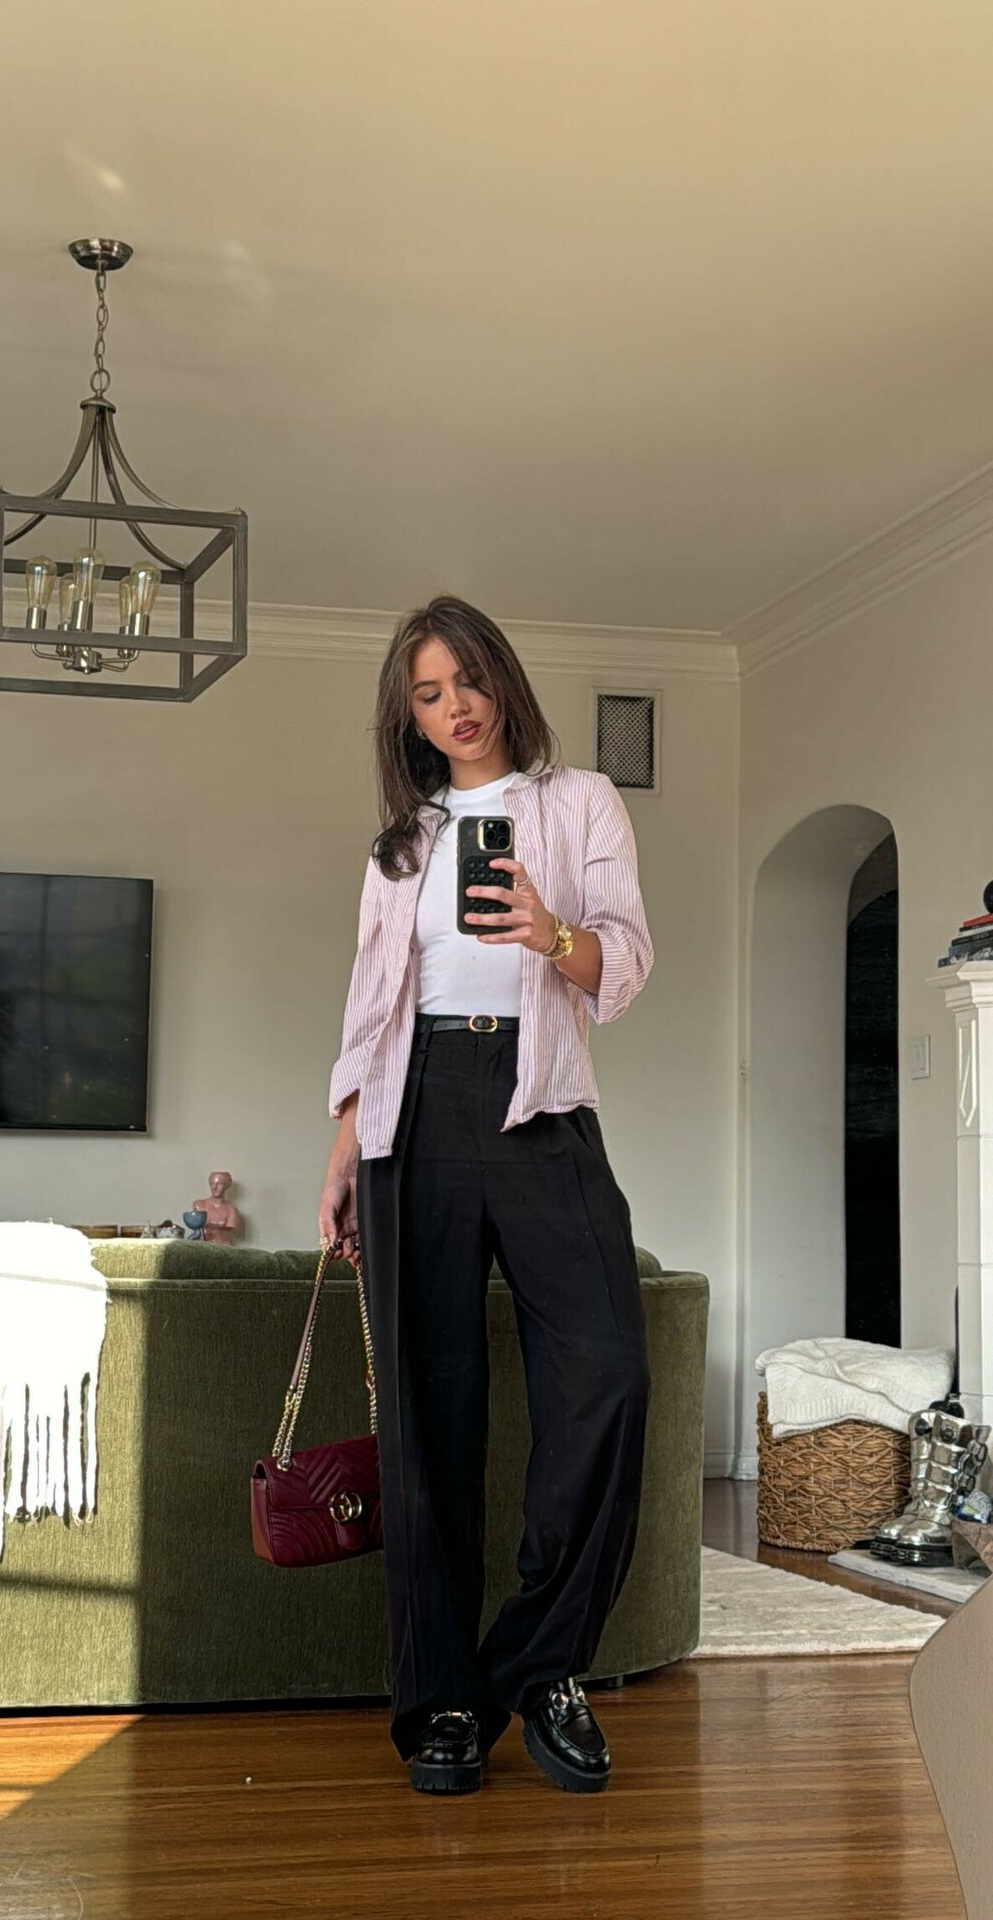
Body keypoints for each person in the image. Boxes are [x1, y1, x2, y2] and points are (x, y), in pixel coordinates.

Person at [318, 594, 653, 1796]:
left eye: (467, 680)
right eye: (428, 693)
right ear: (408, 718)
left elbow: (625, 962)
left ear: (503, 680)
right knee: (428, 1416)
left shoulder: (581, 802)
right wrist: (345, 1147)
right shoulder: (399, 847)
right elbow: (373, 1009)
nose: (455, 707)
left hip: (543, 1109)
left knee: (610, 1373)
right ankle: (444, 1699)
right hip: (413, 1114)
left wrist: (549, 934)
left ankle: (542, 1662)